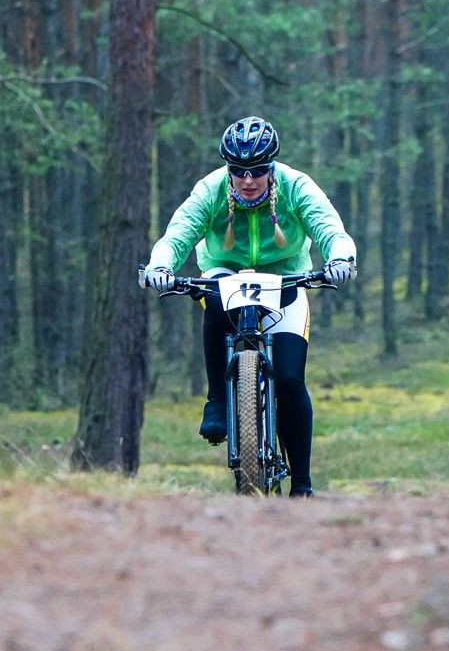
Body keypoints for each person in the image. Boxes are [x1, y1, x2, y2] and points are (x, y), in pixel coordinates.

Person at [141, 116, 357, 497]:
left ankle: (302, 483)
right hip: (226, 272)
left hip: (286, 278)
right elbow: (178, 233)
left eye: (257, 170)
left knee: (290, 380)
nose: (248, 180)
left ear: (271, 167)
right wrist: (161, 267)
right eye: (238, 171)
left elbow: (329, 228)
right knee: (216, 295)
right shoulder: (210, 190)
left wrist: (340, 259)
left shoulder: (296, 186)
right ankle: (217, 400)